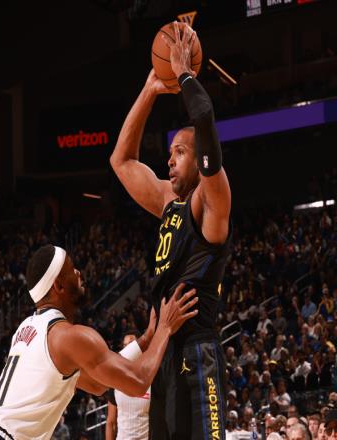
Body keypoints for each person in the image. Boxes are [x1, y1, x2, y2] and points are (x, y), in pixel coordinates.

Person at [110, 22, 231, 440]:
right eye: (169, 153)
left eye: (179, 152)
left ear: (199, 160)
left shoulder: (211, 201)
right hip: (164, 351)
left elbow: (206, 122)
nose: (170, 160)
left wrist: (184, 76)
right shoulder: (167, 200)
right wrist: (149, 89)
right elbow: (121, 161)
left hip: (197, 350)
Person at [0, 244, 198, 440]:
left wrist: (146, 339)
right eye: (71, 269)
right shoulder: (69, 336)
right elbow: (138, 381)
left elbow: (98, 385)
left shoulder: (28, 328)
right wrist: (165, 328)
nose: (78, 272)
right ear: (58, 286)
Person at [106, 331, 151, 440]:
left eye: (131, 344)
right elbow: (111, 423)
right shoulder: (115, 381)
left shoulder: (150, 378)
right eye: (125, 345)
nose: (128, 349)